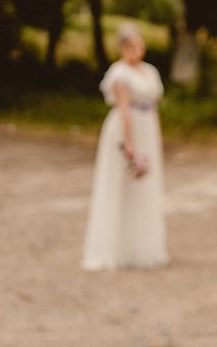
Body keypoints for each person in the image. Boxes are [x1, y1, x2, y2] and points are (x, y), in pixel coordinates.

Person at [82, 23, 168, 270]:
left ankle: (141, 247)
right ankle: (111, 248)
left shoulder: (150, 71)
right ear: (122, 48)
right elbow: (123, 110)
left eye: (139, 45)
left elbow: (152, 104)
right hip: (125, 128)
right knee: (119, 184)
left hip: (148, 128)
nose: (135, 50)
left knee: (144, 187)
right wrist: (129, 143)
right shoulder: (119, 73)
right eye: (130, 46)